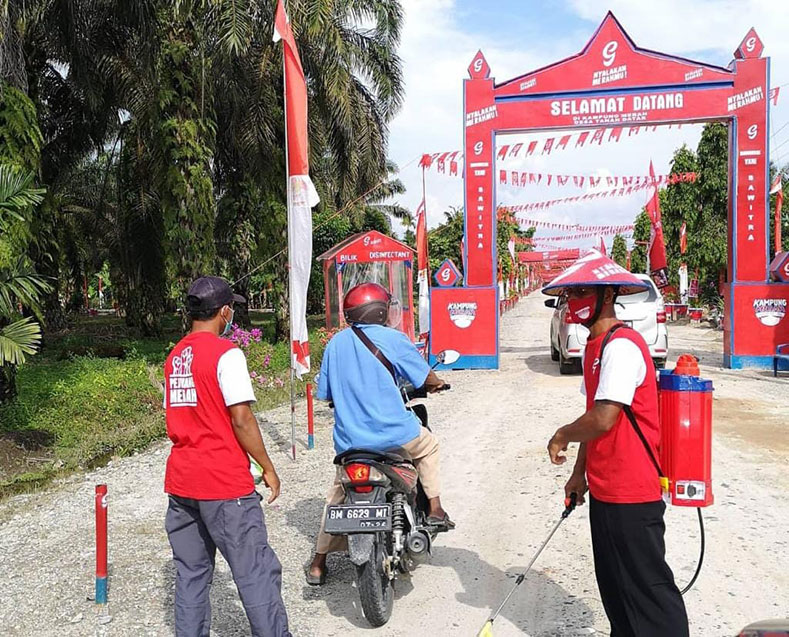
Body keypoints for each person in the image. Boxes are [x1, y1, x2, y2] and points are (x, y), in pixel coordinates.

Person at [544, 250, 689, 637]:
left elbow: (604, 416)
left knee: (648, 590)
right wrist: (579, 475)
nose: (573, 303)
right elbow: (594, 418)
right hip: (606, 490)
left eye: (580, 293)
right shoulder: (594, 347)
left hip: (633, 490)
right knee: (615, 588)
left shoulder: (622, 346)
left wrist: (561, 434)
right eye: (570, 295)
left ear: (606, 296)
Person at [163, 276, 291, 637]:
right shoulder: (226, 353)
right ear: (223, 311)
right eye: (230, 308)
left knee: (191, 575)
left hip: (182, 483)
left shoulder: (175, 357)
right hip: (224, 483)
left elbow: (176, 414)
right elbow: (241, 418)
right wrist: (268, 466)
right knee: (254, 572)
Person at [306, 282, 453, 585]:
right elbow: (424, 376)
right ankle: (435, 508)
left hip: (352, 443)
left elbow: (326, 393)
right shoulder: (394, 339)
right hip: (396, 437)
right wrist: (437, 383)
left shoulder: (335, 344)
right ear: (382, 311)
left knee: (337, 495)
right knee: (430, 447)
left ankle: (318, 563)